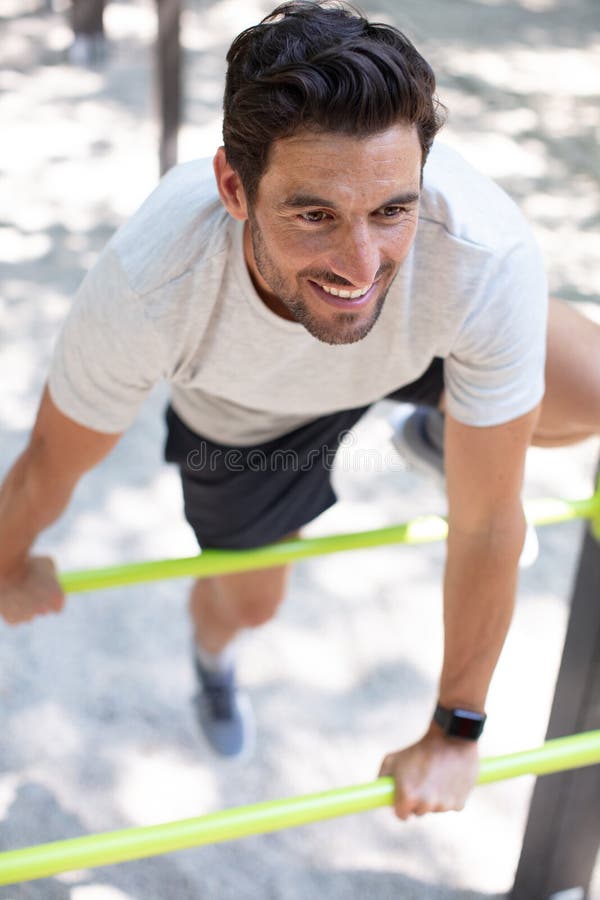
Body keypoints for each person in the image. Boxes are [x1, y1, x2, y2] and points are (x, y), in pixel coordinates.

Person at [1, 0, 599, 822]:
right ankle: (212, 659)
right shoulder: (150, 285)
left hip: (418, 350)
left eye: (392, 210)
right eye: (315, 214)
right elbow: (49, 460)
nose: (360, 262)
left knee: (592, 389)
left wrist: (455, 729)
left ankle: (433, 435)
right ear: (232, 188)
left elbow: (490, 520)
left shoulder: (479, 250)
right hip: (249, 417)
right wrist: (6, 561)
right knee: (250, 604)